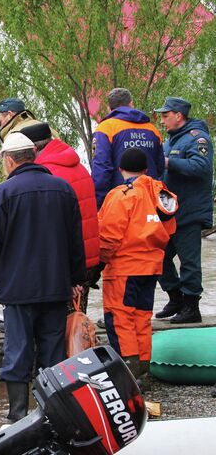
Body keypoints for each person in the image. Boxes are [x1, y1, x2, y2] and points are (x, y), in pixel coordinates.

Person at [0, 132, 85, 422]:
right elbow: (76, 242)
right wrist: (76, 278)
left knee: (17, 351)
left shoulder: (3, 192)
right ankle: (50, 414)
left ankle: (16, 415)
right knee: (52, 353)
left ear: (10, 160)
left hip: (17, 289)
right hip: (56, 287)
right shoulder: (63, 189)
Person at [98, 148, 178, 380]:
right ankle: (143, 366)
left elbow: (109, 236)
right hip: (151, 267)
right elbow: (169, 229)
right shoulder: (161, 194)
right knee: (142, 317)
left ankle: (127, 370)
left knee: (120, 317)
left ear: (120, 169)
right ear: (146, 169)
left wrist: (97, 265)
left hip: (124, 268)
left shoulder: (121, 195)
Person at [18, 123, 100, 313]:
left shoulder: (45, 174)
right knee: (77, 324)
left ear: (33, 149)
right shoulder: (78, 167)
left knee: (55, 326)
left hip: (61, 260)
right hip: (86, 257)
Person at [154, 97, 213, 323]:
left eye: (165, 115)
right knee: (156, 256)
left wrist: (169, 162)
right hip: (170, 212)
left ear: (179, 115)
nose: (162, 120)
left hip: (189, 212)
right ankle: (175, 296)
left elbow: (201, 167)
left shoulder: (197, 138)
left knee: (189, 262)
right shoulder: (170, 141)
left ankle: (191, 307)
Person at [91, 88, 165, 208]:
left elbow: (101, 169)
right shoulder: (152, 130)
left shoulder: (105, 129)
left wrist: (100, 204)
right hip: (150, 199)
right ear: (131, 104)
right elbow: (160, 167)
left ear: (109, 108)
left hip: (120, 201)